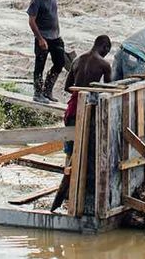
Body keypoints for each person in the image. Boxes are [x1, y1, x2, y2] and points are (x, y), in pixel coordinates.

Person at [48, 35, 112, 214]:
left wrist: (80, 87)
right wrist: (91, 90)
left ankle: (68, 189)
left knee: (70, 149)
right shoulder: (104, 65)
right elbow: (109, 89)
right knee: (84, 150)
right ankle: (73, 190)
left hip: (72, 108)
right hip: (87, 110)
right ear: (105, 47)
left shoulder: (77, 60)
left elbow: (67, 87)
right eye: (108, 50)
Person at [27, 0, 68, 102]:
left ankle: (47, 90)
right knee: (40, 66)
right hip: (43, 38)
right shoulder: (37, 1)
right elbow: (32, 21)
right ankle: (37, 93)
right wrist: (40, 39)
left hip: (55, 37)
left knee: (59, 63)